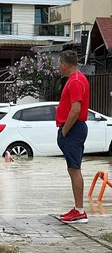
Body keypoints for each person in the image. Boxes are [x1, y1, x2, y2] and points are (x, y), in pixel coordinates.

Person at [57, 50, 90, 224]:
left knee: (75, 169)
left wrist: (64, 131)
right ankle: (78, 208)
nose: (58, 66)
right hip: (73, 129)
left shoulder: (76, 81)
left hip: (73, 129)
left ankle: (80, 211)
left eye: (58, 63)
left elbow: (75, 109)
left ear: (64, 64)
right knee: (72, 169)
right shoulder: (75, 79)